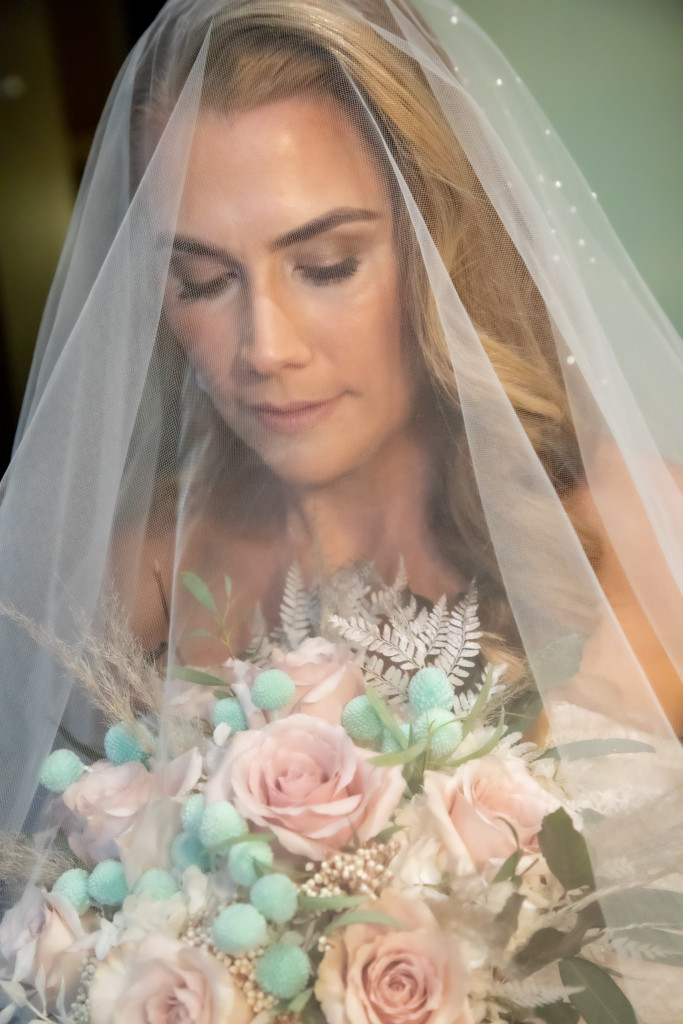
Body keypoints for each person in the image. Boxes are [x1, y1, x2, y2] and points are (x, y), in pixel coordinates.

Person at [0, 1, 681, 1020]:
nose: (264, 346)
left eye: (326, 266)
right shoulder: (124, 579)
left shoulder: (630, 533)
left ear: (440, 243)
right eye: (200, 279)